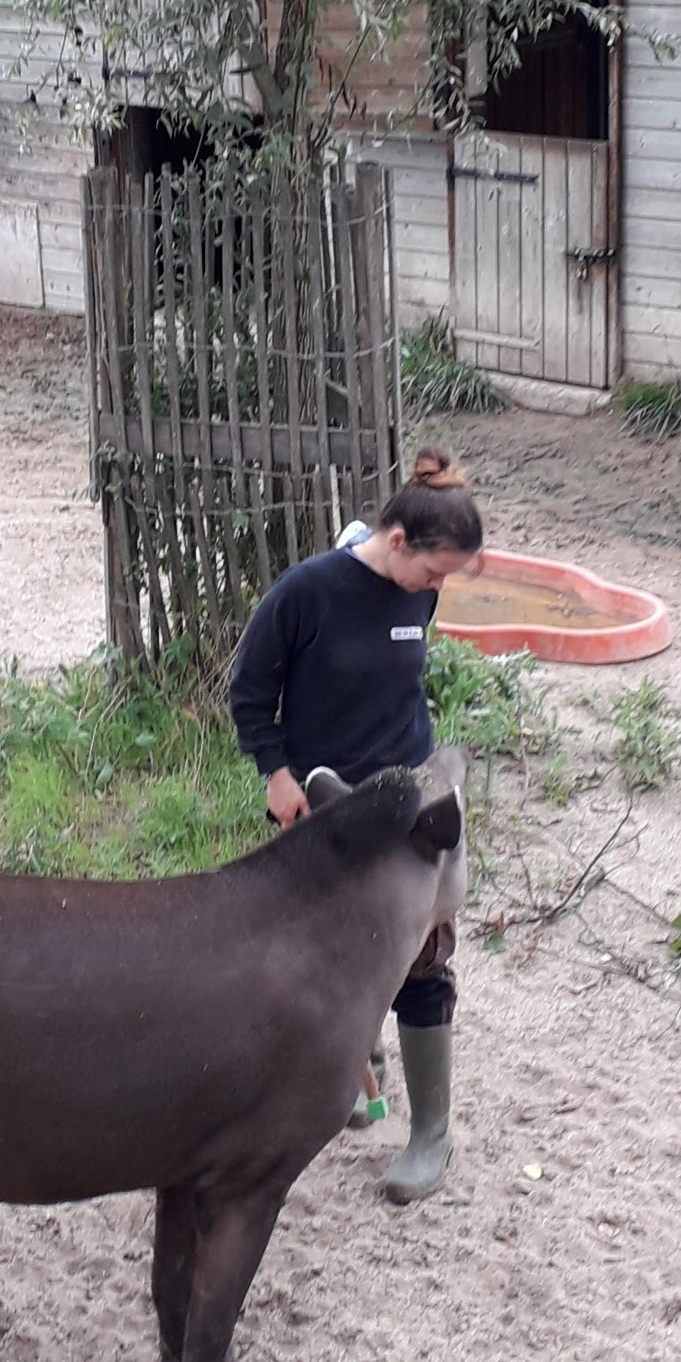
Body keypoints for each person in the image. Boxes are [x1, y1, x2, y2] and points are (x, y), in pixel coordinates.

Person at [228, 448, 484, 1203]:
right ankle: (351, 1074)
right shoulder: (307, 592)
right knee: (324, 951)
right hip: (323, 807)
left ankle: (430, 1134)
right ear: (397, 541)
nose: (436, 590)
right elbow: (250, 691)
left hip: (409, 801)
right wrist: (276, 775)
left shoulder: (415, 594)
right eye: (433, 573)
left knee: (421, 958)